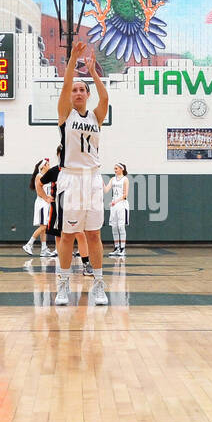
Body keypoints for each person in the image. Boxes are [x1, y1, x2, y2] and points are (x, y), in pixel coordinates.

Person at [53, 40, 109, 307]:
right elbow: (64, 87)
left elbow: (105, 98)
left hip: (94, 179)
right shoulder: (66, 115)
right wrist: (72, 63)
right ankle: (62, 286)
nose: (76, 92)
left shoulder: (96, 117)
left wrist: (93, 73)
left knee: (94, 234)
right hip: (71, 178)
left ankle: (98, 284)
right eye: (74, 89)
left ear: (87, 94)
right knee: (66, 235)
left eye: (81, 89)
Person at [23, 157, 51, 254]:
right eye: (47, 164)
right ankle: (29, 244)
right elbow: (39, 192)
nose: (49, 165)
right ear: (43, 166)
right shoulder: (39, 176)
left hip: (45, 202)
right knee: (44, 226)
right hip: (42, 203)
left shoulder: (45, 175)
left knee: (43, 226)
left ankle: (43, 249)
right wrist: (47, 198)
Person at [105, 162, 130, 258]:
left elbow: (125, 195)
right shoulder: (112, 179)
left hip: (122, 205)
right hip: (114, 205)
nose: (114, 170)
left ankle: (123, 249)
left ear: (121, 169)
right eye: (114, 168)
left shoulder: (125, 179)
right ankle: (116, 248)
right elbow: (106, 190)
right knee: (114, 226)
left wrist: (115, 201)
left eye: (116, 168)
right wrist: (100, 182)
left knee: (121, 226)